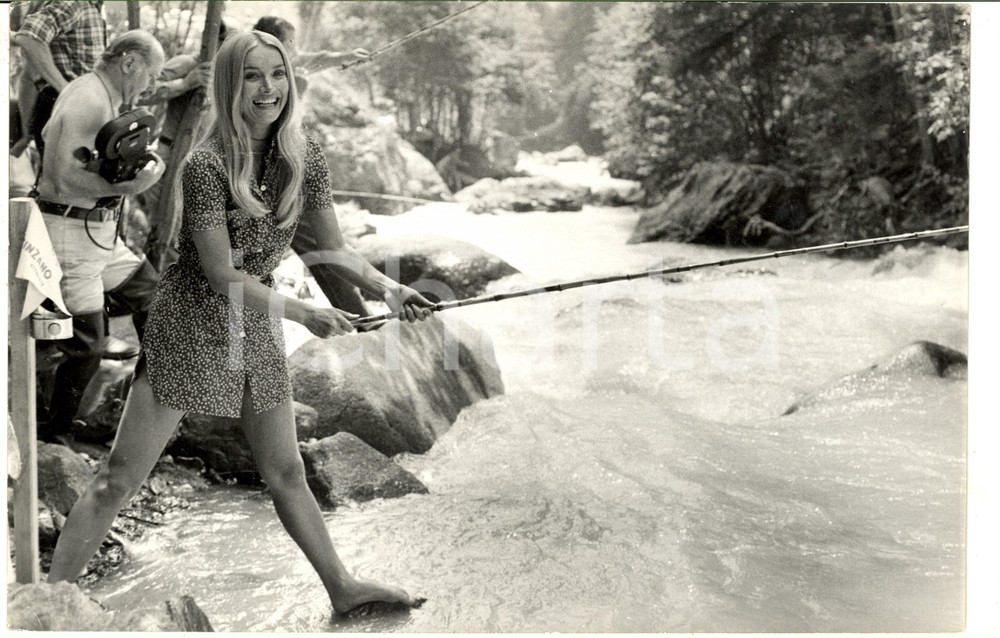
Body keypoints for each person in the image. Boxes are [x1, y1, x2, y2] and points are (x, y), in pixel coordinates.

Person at [48, 31, 434, 617]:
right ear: (230, 86)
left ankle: (343, 587)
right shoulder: (205, 164)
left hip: (255, 323)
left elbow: (336, 251)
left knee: (286, 470)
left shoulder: (306, 157)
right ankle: (47, 603)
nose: (269, 89)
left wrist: (390, 287)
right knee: (118, 478)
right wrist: (306, 312)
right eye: (252, 76)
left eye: (276, 75)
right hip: (193, 318)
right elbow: (223, 274)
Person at [29, 30, 166, 440]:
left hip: (98, 236)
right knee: (86, 346)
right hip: (71, 231)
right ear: (129, 64)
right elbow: (62, 181)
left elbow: (86, 167)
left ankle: (146, 408)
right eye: (151, 75)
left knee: (155, 300)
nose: (151, 85)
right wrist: (133, 187)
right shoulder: (89, 98)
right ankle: (55, 436)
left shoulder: (98, 93)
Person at [252, 15, 374, 318]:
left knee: (319, 245)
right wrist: (301, 87)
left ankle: (360, 315)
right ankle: (361, 317)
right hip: (267, 177)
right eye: (290, 42)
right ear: (273, 43)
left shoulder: (276, 66)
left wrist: (346, 57)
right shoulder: (261, 77)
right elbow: (274, 124)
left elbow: (314, 58)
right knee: (317, 245)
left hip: (281, 173)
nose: (296, 49)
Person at [136, 19, 233, 270]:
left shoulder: (224, 76)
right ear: (215, 41)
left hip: (198, 165)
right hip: (169, 157)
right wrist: (185, 83)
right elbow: (144, 91)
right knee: (161, 229)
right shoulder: (187, 64)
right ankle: (149, 292)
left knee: (182, 233)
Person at [12, 0, 107, 159]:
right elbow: (28, 37)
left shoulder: (94, 8)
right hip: (63, 107)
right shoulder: (73, 3)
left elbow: (28, 75)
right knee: (65, 179)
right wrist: (65, 89)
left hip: (80, 108)